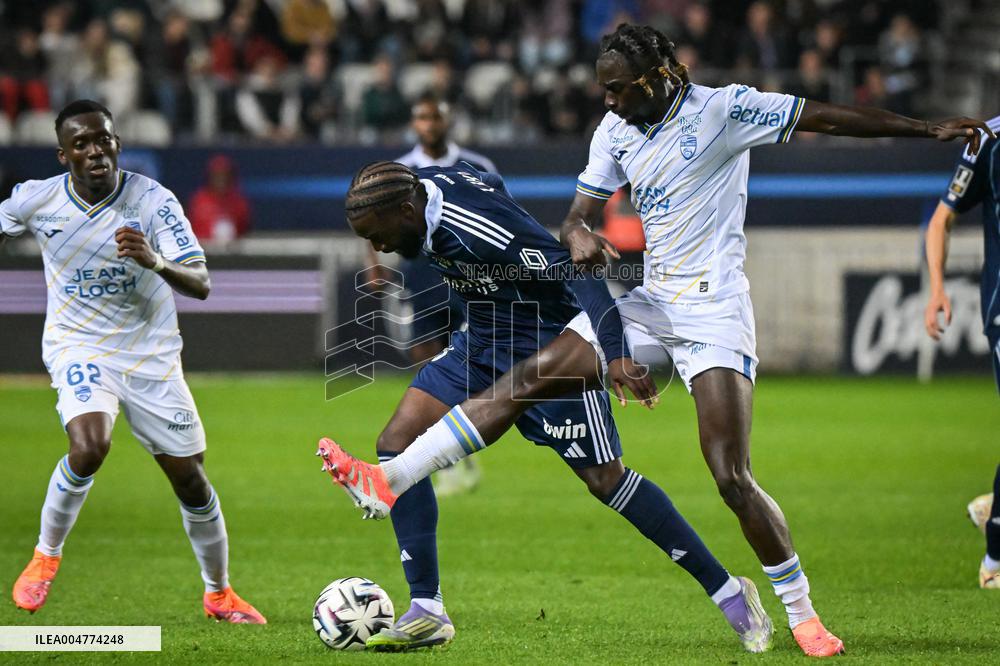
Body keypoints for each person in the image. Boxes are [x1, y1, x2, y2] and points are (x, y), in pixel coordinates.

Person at [322, 23, 992, 658]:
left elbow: (824, 115)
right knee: (522, 383)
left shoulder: (725, 110)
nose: (609, 102)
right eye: (604, 90)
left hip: (715, 310)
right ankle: (392, 482)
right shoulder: (615, 130)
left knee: (730, 476)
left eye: (620, 88)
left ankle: (800, 610)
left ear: (663, 74)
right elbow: (578, 216)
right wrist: (581, 231)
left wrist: (925, 128)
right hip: (649, 297)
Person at [322, 161, 773, 653]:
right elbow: (482, 176)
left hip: (546, 345)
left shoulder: (482, 230)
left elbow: (573, 269)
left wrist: (616, 352)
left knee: (607, 481)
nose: (379, 247)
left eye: (378, 234)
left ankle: (730, 592)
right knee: (395, 441)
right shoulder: (420, 187)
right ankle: (427, 609)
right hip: (482, 340)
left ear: (407, 211)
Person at [2, 100, 265, 624]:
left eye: (104, 139)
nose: (96, 150)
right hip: (80, 344)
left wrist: (154, 260)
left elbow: (202, 284)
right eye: (82, 143)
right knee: (90, 444)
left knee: (190, 479)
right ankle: (44, 556)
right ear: (64, 155)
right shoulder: (36, 200)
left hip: (151, 355)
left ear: (117, 144)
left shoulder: (153, 201)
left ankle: (219, 594)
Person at [391, 95, 497, 496]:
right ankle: (454, 457)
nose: (428, 123)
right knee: (425, 358)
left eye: (435, 115)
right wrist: (377, 264)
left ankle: (454, 450)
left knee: (462, 361)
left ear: (447, 120)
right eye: (421, 116)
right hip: (420, 275)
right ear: (413, 123)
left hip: (466, 276)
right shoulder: (400, 170)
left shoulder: (476, 166)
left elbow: (501, 211)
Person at [922, 114, 1000, 589]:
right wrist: (937, 290)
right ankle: (995, 560)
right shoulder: (987, 141)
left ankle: (995, 503)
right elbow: (941, 219)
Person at [189, 154, 251, 245]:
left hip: (232, 252)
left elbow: (244, 230)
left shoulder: (239, 201)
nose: (221, 179)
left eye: (225, 175)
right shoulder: (199, 200)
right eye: (217, 175)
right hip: (203, 250)